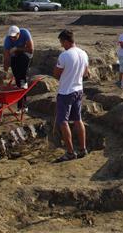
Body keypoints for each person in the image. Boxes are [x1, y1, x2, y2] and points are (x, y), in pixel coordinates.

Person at [53, 29, 89, 162]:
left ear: (66, 41)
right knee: (78, 119)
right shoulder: (83, 53)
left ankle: (70, 152)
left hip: (65, 92)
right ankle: (83, 149)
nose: (61, 45)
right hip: (78, 90)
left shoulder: (65, 55)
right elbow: (85, 73)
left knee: (63, 121)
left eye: (62, 42)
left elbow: (56, 74)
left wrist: (66, 75)